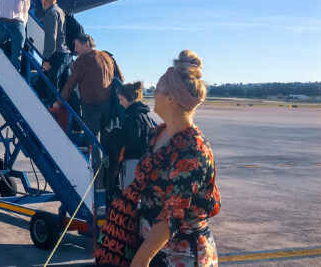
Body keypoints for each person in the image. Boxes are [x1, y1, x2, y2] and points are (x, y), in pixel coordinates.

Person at [96, 50, 221, 267]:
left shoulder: (193, 150)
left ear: (170, 98)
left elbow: (172, 215)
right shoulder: (157, 134)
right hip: (152, 247)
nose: (154, 92)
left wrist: (141, 259)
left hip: (181, 256)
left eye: (158, 89)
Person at [53, 34, 119, 139]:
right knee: (106, 139)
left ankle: (94, 151)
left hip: (91, 105)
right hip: (108, 104)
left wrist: (59, 102)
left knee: (92, 138)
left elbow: (70, 84)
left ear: (86, 45)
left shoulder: (82, 60)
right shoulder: (107, 57)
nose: (75, 49)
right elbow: (119, 78)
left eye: (77, 46)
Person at [116, 81, 153, 188]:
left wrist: (117, 135)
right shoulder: (143, 114)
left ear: (130, 98)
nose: (120, 103)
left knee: (130, 192)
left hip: (133, 162)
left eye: (121, 99)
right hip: (144, 160)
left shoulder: (133, 117)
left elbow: (132, 142)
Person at [40, 0, 71, 98]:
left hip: (57, 54)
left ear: (44, 1)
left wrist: (46, 59)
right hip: (66, 53)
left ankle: (54, 106)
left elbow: (51, 38)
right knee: (66, 87)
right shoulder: (61, 12)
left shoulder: (51, 13)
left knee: (51, 86)